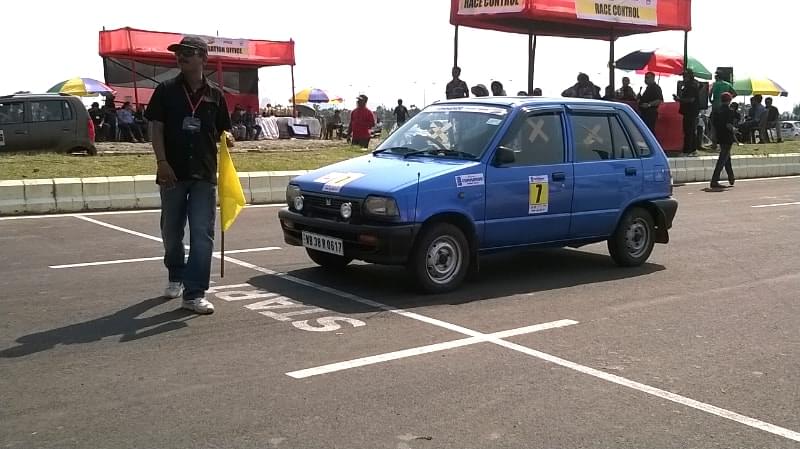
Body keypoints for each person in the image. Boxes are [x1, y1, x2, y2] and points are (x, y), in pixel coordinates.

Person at [144, 35, 233, 315]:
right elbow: (155, 128)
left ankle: (194, 293)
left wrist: (228, 136)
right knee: (171, 231)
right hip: (172, 172)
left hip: (204, 174)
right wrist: (161, 161)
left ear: (203, 58)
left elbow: (224, 129)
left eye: (188, 52)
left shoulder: (216, 95)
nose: (181, 56)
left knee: (202, 234)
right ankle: (175, 274)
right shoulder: (166, 90)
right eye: (179, 53)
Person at [710, 92, 736, 188]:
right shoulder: (730, 111)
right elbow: (729, 125)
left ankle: (731, 177)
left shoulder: (716, 111)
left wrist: (713, 138)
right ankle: (714, 180)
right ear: (729, 100)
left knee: (726, 157)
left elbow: (713, 125)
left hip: (719, 136)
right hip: (727, 136)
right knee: (723, 158)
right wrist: (735, 130)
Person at [674, 69, 700, 156]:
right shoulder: (689, 85)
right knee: (690, 130)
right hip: (689, 111)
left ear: (689, 76)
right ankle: (692, 149)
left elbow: (691, 99)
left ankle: (688, 150)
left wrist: (679, 99)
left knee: (688, 130)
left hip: (690, 111)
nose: (683, 78)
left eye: (685, 76)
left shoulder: (691, 86)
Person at [709, 71, 737, 149]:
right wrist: (729, 99)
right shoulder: (728, 85)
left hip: (716, 107)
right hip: (725, 106)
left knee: (714, 125)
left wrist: (711, 101)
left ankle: (714, 143)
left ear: (717, 77)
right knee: (724, 125)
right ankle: (722, 142)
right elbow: (735, 93)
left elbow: (710, 94)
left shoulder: (714, 84)